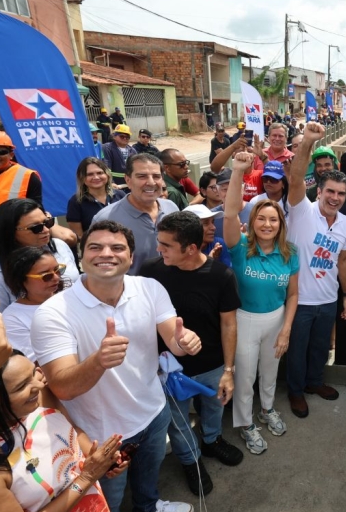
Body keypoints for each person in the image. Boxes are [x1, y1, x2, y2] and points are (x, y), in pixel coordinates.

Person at [31, 220, 202, 512]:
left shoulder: (150, 287)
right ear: (81, 257)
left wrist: (184, 342)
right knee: (106, 500)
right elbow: (62, 388)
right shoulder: (52, 313)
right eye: (95, 247)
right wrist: (98, 361)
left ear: (131, 257)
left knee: (148, 482)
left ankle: (149, 507)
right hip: (100, 434)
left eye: (117, 247)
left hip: (154, 412)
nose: (106, 253)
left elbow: (172, 338)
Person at [139, 211, 243, 496]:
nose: (158, 250)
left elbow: (228, 323)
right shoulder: (150, 271)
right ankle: (191, 460)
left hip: (211, 364)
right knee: (178, 420)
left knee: (214, 406)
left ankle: (212, 440)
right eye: (159, 242)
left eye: (167, 245)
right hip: (169, 368)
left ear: (192, 248)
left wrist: (228, 371)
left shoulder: (221, 275)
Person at [0, 351, 125, 512]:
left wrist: (100, 459)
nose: (39, 384)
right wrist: (86, 478)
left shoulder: (38, 397)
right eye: (22, 386)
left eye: (34, 373)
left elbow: (71, 429)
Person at [225, 160, 299, 454]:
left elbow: (293, 295)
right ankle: (244, 424)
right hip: (245, 320)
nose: (268, 224)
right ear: (253, 222)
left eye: (274, 220)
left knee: (270, 372)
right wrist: (237, 172)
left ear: (281, 224)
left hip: (276, 319)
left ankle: (266, 410)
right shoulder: (240, 248)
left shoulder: (290, 253)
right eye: (261, 219)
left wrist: (286, 331)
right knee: (244, 377)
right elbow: (230, 213)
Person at [285, 122, 346, 419]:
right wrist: (308, 142)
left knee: (320, 347)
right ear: (320, 190)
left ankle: (315, 383)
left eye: (341, 194)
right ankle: (296, 391)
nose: (335, 198)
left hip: (328, 299)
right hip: (299, 300)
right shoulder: (301, 209)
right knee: (296, 350)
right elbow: (296, 176)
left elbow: (344, 260)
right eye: (330, 191)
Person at [0, 198, 79, 312]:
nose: (45, 230)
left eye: (47, 223)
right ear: (10, 232)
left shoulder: (59, 246)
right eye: (36, 228)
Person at [92, 153, 179, 275]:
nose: (151, 182)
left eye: (156, 176)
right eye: (142, 176)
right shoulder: (105, 219)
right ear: (128, 180)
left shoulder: (171, 208)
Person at [1, 246, 67, 362]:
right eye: (46, 276)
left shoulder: (70, 296)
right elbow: (33, 361)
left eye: (58, 270)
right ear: (21, 280)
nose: (56, 277)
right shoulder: (12, 318)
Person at [66, 157, 127, 238]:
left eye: (100, 173)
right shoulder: (76, 202)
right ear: (82, 178)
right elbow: (79, 236)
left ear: (107, 174)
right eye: (90, 174)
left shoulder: (120, 195)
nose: (96, 177)